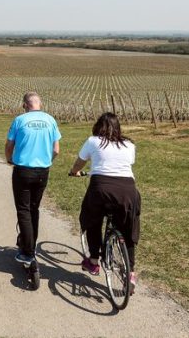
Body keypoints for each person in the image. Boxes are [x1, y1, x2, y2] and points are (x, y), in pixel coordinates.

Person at [69, 112, 140, 290]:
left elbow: (79, 163)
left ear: (98, 126)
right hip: (127, 191)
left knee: (92, 221)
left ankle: (93, 261)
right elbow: (127, 163)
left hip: (101, 189)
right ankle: (131, 273)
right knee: (127, 229)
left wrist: (74, 171)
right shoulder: (129, 144)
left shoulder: (93, 141)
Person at [5, 91, 61, 265]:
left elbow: (9, 144)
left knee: (23, 210)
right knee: (34, 209)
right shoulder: (50, 120)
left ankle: (28, 252)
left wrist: (9, 159)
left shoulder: (19, 120)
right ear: (40, 104)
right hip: (43, 171)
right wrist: (47, 161)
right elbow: (56, 149)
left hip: (23, 170)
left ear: (24, 105)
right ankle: (31, 244)